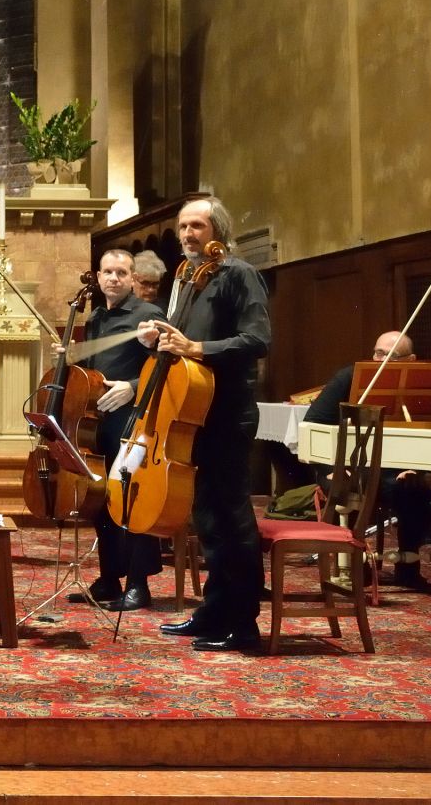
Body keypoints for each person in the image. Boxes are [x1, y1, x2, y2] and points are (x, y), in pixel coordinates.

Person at [138, 196, 271, 652]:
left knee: (233, 518)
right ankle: (214, 612)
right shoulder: (189, 277)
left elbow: (257, 339)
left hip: (228, 413)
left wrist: (197, 348)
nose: (188, 234)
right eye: (183, 227)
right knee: (208, 520)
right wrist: (159, 335)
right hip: (194, 415)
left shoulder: (238, 274)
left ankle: (244, 624)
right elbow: (180, 341)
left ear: (218, 231)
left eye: (197, 225)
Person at [304, 330, 431, 588]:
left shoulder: (420, 384)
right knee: (349, 486)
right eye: (378, 353)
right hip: (347, 466)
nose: (381, 360)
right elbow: (313, 423)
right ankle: (355, 564)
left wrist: (415, 469)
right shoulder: (348, 377)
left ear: (411, 360)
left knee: (415, 490)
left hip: (391, 471)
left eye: (391, 356)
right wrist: (330, 467)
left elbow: (427, 431)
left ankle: (408, 566)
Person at [75, 249, 165, 611]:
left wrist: (132, 386)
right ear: (98, 278)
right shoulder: (95, 318)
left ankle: (139, 584)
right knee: (103, 501)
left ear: (132, 278)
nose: (114, 278)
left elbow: (168, 366)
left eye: (121, 273)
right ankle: (109, 578)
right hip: (98, 422)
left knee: (131, 500)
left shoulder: (148, 316)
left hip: (133, 420)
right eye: (108, 272)